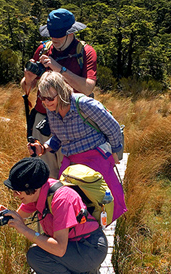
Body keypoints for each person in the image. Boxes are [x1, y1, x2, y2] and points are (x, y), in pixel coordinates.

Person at [0, 157, 108, 274]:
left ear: (32, 188)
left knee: (36, 255)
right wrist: (7, 214)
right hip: (74, 247)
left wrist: (26, 231)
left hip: (90, 248)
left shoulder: (61, 199)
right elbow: (20, 217)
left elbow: (59, 249)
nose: (15, 194)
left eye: (18, 191)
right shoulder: (39, 192)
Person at [28, 70, 127, 222]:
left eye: (50, 98)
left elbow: (112, 128)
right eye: (43, 98)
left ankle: (98, 238)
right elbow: (58, 138)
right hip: (71, 165)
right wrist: (43, 148)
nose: (46, 103)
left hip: (95, 161)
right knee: (74, 208)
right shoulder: (52, 110)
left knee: (100, 204)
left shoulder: (85, 105)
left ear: (61, 92)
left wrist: (115, 151)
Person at [21, 8, 98, 178]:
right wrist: (28, 79)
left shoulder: (85, 52)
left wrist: (59, 68)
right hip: (43, 121)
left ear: (70, 32)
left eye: (59, 35)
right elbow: (27, 89)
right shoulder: (43, 49)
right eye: (51, 34)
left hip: (72, 122)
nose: (54, 38)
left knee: (71, 175)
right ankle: (47, 204)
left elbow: (87, 88)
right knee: (44, 175)